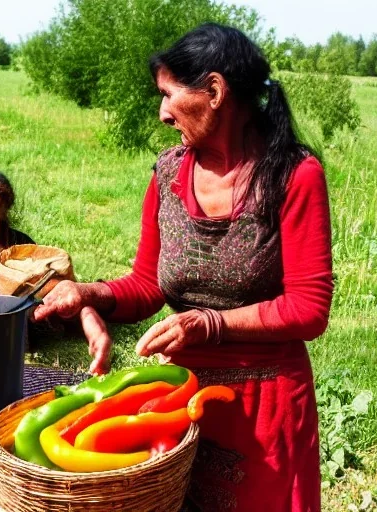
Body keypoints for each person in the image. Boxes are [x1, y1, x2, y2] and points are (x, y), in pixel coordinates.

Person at [34, 22, 333, 511]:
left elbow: (309, 308)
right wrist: (89, 293)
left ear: (214, 91)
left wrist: (210, 324)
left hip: (266, 406)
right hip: (179, 401)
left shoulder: (293, 176)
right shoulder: (169, 172)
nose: (162, 113)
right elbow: (148, 283)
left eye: (169, 95)